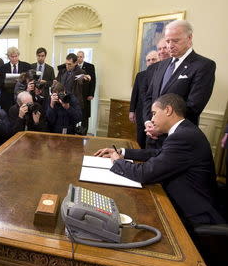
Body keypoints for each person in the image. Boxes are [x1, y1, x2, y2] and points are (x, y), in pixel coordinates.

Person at [95, 93, 225, 226]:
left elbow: (145, 174)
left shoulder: (184, 136)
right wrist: (123, 152)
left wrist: (118, 162)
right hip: (184, 200)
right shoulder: (185, 130)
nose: (151, 119)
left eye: (154, 113)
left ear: (168, 110)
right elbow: (158, 153)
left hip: (192, 215)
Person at [143, 20, 216, 145]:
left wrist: (161, 127)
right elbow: (149, 97)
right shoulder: (161, 65)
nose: (170, 45)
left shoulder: (204, 65)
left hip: (177, 138)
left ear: (189, 38)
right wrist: (148, 122)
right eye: (167, 41)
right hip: (151, 136)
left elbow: (194, 106)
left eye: (175, 41)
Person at [129, 50, 159, 148]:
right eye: (148, 60)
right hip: (141, 111)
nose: (151, 62)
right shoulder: (140, 75)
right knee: (140, 137)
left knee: (152, 141)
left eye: (154, 59)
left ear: (159, 60)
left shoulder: (162, 75)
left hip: (157, 113)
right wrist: (132, 111)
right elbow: (135, 94)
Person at [0, 47, 31, 113]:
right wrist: (7, 83)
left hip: (22, 96)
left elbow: (30, 80)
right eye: (12, 57)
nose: (14, 58)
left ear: (18, 55)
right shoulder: (2, 68)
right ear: (8, 57)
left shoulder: (27, 66)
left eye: (16, 56)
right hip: (7, 97)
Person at [76, 51, 96, 135]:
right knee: (75, 114)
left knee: (85, 116)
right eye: (78, 57)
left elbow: (93, 81)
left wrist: (91, 94)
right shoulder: (74, 66)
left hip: (86, 95)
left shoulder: (90, 66)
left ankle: (83, 134)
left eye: (81, 57)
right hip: (76, 95)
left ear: (83, 57)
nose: (79, 58)